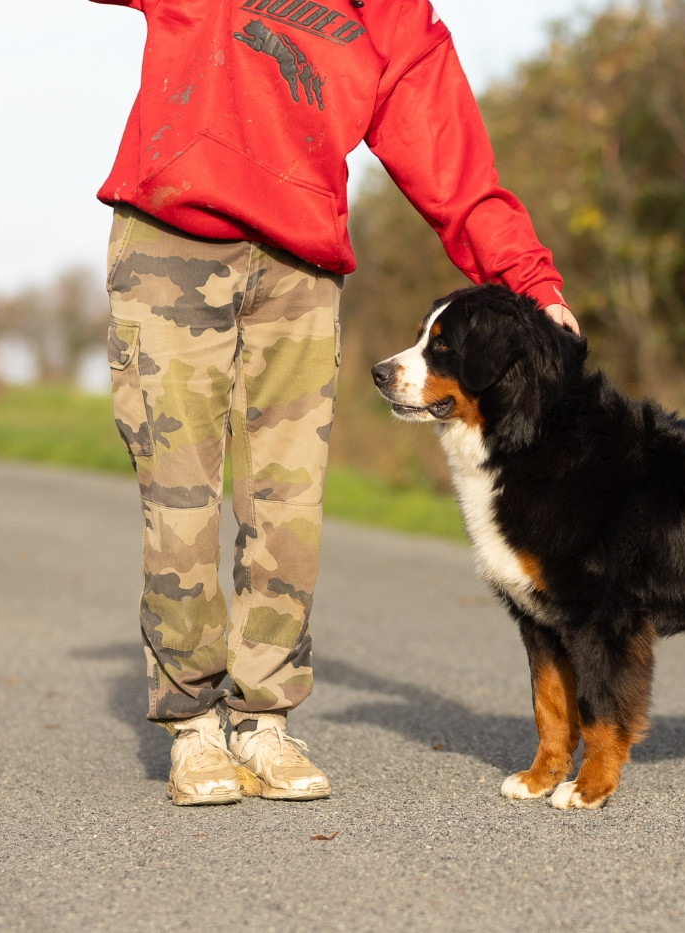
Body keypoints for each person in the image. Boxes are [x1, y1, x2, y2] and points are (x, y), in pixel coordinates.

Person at [95, 0, 576, 806]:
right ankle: (192, 723)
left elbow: (453, 166)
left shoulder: (393, 17)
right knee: (179, 493)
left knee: (288, 501)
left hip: (300, 270)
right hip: (171, 246)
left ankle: (262, 718)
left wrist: (531, 280)